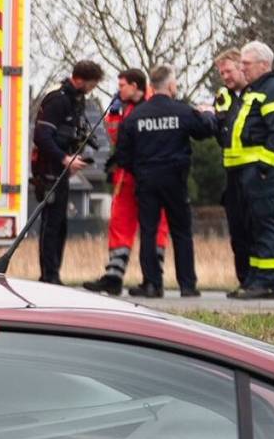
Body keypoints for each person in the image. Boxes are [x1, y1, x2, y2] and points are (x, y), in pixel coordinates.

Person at [109, 65, 211, 298]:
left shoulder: (135, 116)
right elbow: (204, 130)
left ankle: (152, 284)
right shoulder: (182, 111)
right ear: (171, 85)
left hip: (146, 181)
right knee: (181, 232)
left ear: (151, 86)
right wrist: (207, 114)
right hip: (175, 180)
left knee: (149, 231)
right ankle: (187, 285)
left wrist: (141, 168)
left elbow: (122, 156)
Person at [81, 68, 170, 295]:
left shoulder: (154, 105)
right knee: (120, 223)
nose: (118, 90)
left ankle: (154, 276)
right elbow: (114, 136)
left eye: (122, 85)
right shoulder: (119, 107)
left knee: (156, 225)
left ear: (135, 86)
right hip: (125, 174)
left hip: (149, 173)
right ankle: (114, 275)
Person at [222, 40, 274, 299]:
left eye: (246, 64)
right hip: (246, 170)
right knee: (252, 226)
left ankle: (268, 282)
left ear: (264, 65)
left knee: (266, 225)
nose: (242, 68)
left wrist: (264, 166)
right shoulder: (255, 90)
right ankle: (255, 279)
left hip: (261, 171)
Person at [29, 60, 104, 285]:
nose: (92, 90)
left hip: (62, 169)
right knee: (51, 223)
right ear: (80, 80)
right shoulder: (58, 100)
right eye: (92, 85)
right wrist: (65, 158)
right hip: (49, 170)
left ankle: (54, 274)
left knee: (60, 223)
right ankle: (48, 276)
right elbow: (42, 136)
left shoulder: (75, 102)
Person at [205, 47, 252, 292]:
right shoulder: (223, 96)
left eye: (228, 71)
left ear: (241, 66)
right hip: (232, 170)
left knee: (258, 225)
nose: (225, 77)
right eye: (221, 73)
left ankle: (265, 278)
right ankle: (244, 279)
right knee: (237, 228)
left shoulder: (256, 93)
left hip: (255, 170)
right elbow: (220, 129)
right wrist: (207, 118)